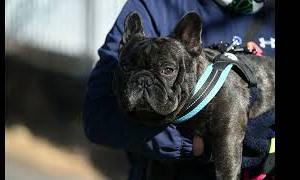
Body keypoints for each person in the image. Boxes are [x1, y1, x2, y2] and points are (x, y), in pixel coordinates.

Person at [83, 0, 275, 179]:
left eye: (167, 70)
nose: (144, 82)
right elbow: (98, 117)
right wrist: (197, 145)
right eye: (128, 68)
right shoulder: (158, 5)